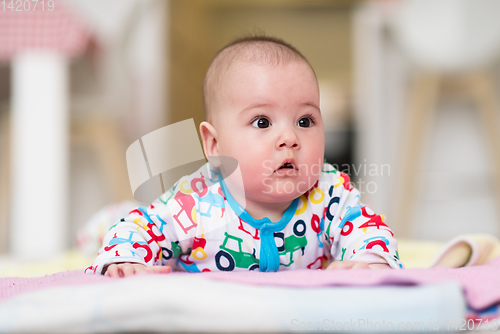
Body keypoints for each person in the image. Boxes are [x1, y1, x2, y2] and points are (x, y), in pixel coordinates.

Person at [86, 36, 404, 277]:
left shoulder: (330, 194)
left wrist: (371, 259)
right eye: (262, 122)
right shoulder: (194, 203)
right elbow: (145, 227)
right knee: (127, 221)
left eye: (305, 121)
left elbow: (367, 227)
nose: (289, 138)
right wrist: (125, 258)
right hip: (149, 224)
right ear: (215, 144)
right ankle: (102, 225)